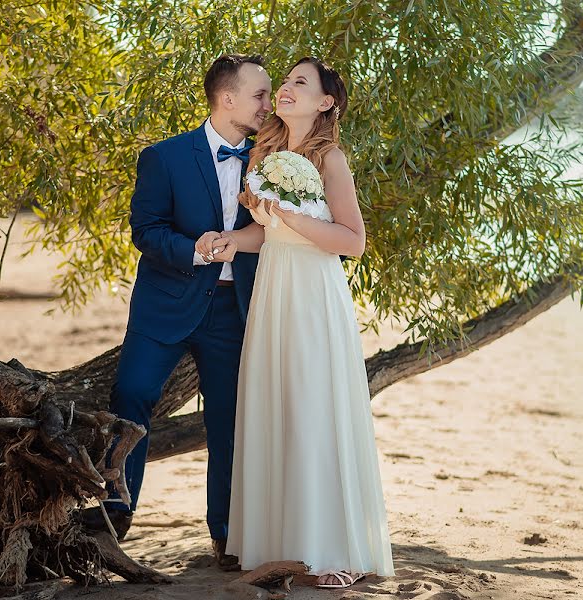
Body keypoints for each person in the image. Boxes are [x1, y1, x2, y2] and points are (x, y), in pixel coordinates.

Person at [79, 54, 272, 570]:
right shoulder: (163, 157)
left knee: (229, 420)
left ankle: (227, 534)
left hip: (233, 312)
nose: (267, 104)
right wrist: (195, 248)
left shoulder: (272, 162)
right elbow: (145, 229)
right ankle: (116, 510)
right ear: (226, 99)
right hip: (165, 305)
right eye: (259, 95)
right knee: (131, 396)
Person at [224, 56, 395, 588]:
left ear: (325, 103)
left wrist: (294, 214)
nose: (286, 90)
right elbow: (270, 235)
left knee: (315, 410)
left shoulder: (330, 160)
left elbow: (353, 242)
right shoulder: (268, 153)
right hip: (273, 289)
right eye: (286, 82)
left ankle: (331, 549)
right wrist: (234, 238)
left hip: (314, 296)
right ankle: (277, 545)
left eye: (301, 83)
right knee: (277, 406)